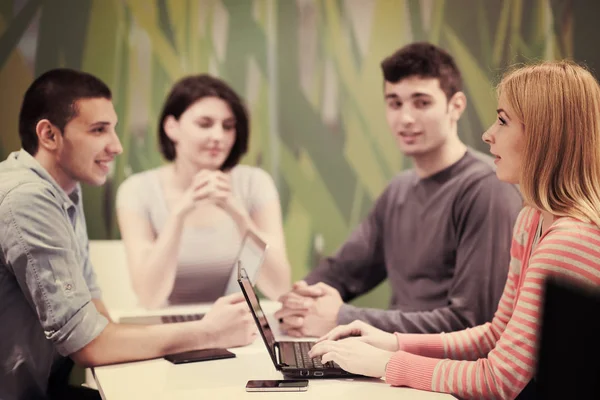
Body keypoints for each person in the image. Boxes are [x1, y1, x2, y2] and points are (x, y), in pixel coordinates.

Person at [308, 60, 600, 399]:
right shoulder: (531, 220)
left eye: (503, 121)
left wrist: (387, 363)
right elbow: (495, 334)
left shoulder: (569, 240)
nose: (488, 133)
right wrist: (393, 341)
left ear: (544, 136)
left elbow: (500, 379)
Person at [0, 69, 257, 400]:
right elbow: (87, 343)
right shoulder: (28, 198)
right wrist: (208, 332)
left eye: (114, 129)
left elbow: (96, 312)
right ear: (49, 135)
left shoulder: (65, 191)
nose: (117, 146)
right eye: (98, 130)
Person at [275, 42, 523, 337]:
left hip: (439, 374)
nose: (405, 118)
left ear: (455, 106)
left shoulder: (487, 189)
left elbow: (474, 322)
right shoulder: (399, 189)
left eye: (421, 103)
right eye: (394, 103)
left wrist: (343, 317)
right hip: (391, 361)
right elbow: (342, 271)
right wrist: (299, 302)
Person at [116, 74, 292, 308]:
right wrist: (179, 214)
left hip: (237, 325)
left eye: (228, 126)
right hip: (167, 330)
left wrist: (238, 214)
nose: (218, 137)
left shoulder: (255, 183)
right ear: (172, 127)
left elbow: (280, 287)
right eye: (205, 124)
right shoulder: (137, 190)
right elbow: (149, 297)